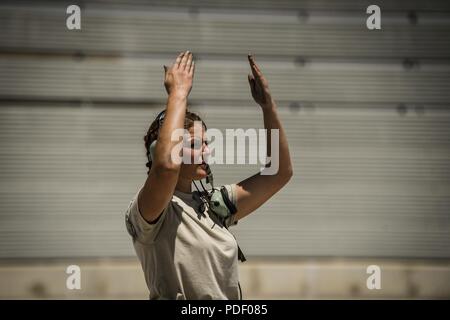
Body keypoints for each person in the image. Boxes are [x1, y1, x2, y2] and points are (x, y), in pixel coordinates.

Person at [125, 51, 293, 299]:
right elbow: (166, 168)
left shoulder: (213, 205)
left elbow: (279, 173)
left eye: (207, 143)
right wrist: (178, 94)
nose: (207, 151)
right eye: (195, 144)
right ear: (159, 150)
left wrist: (268, 107)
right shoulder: (151, 211)